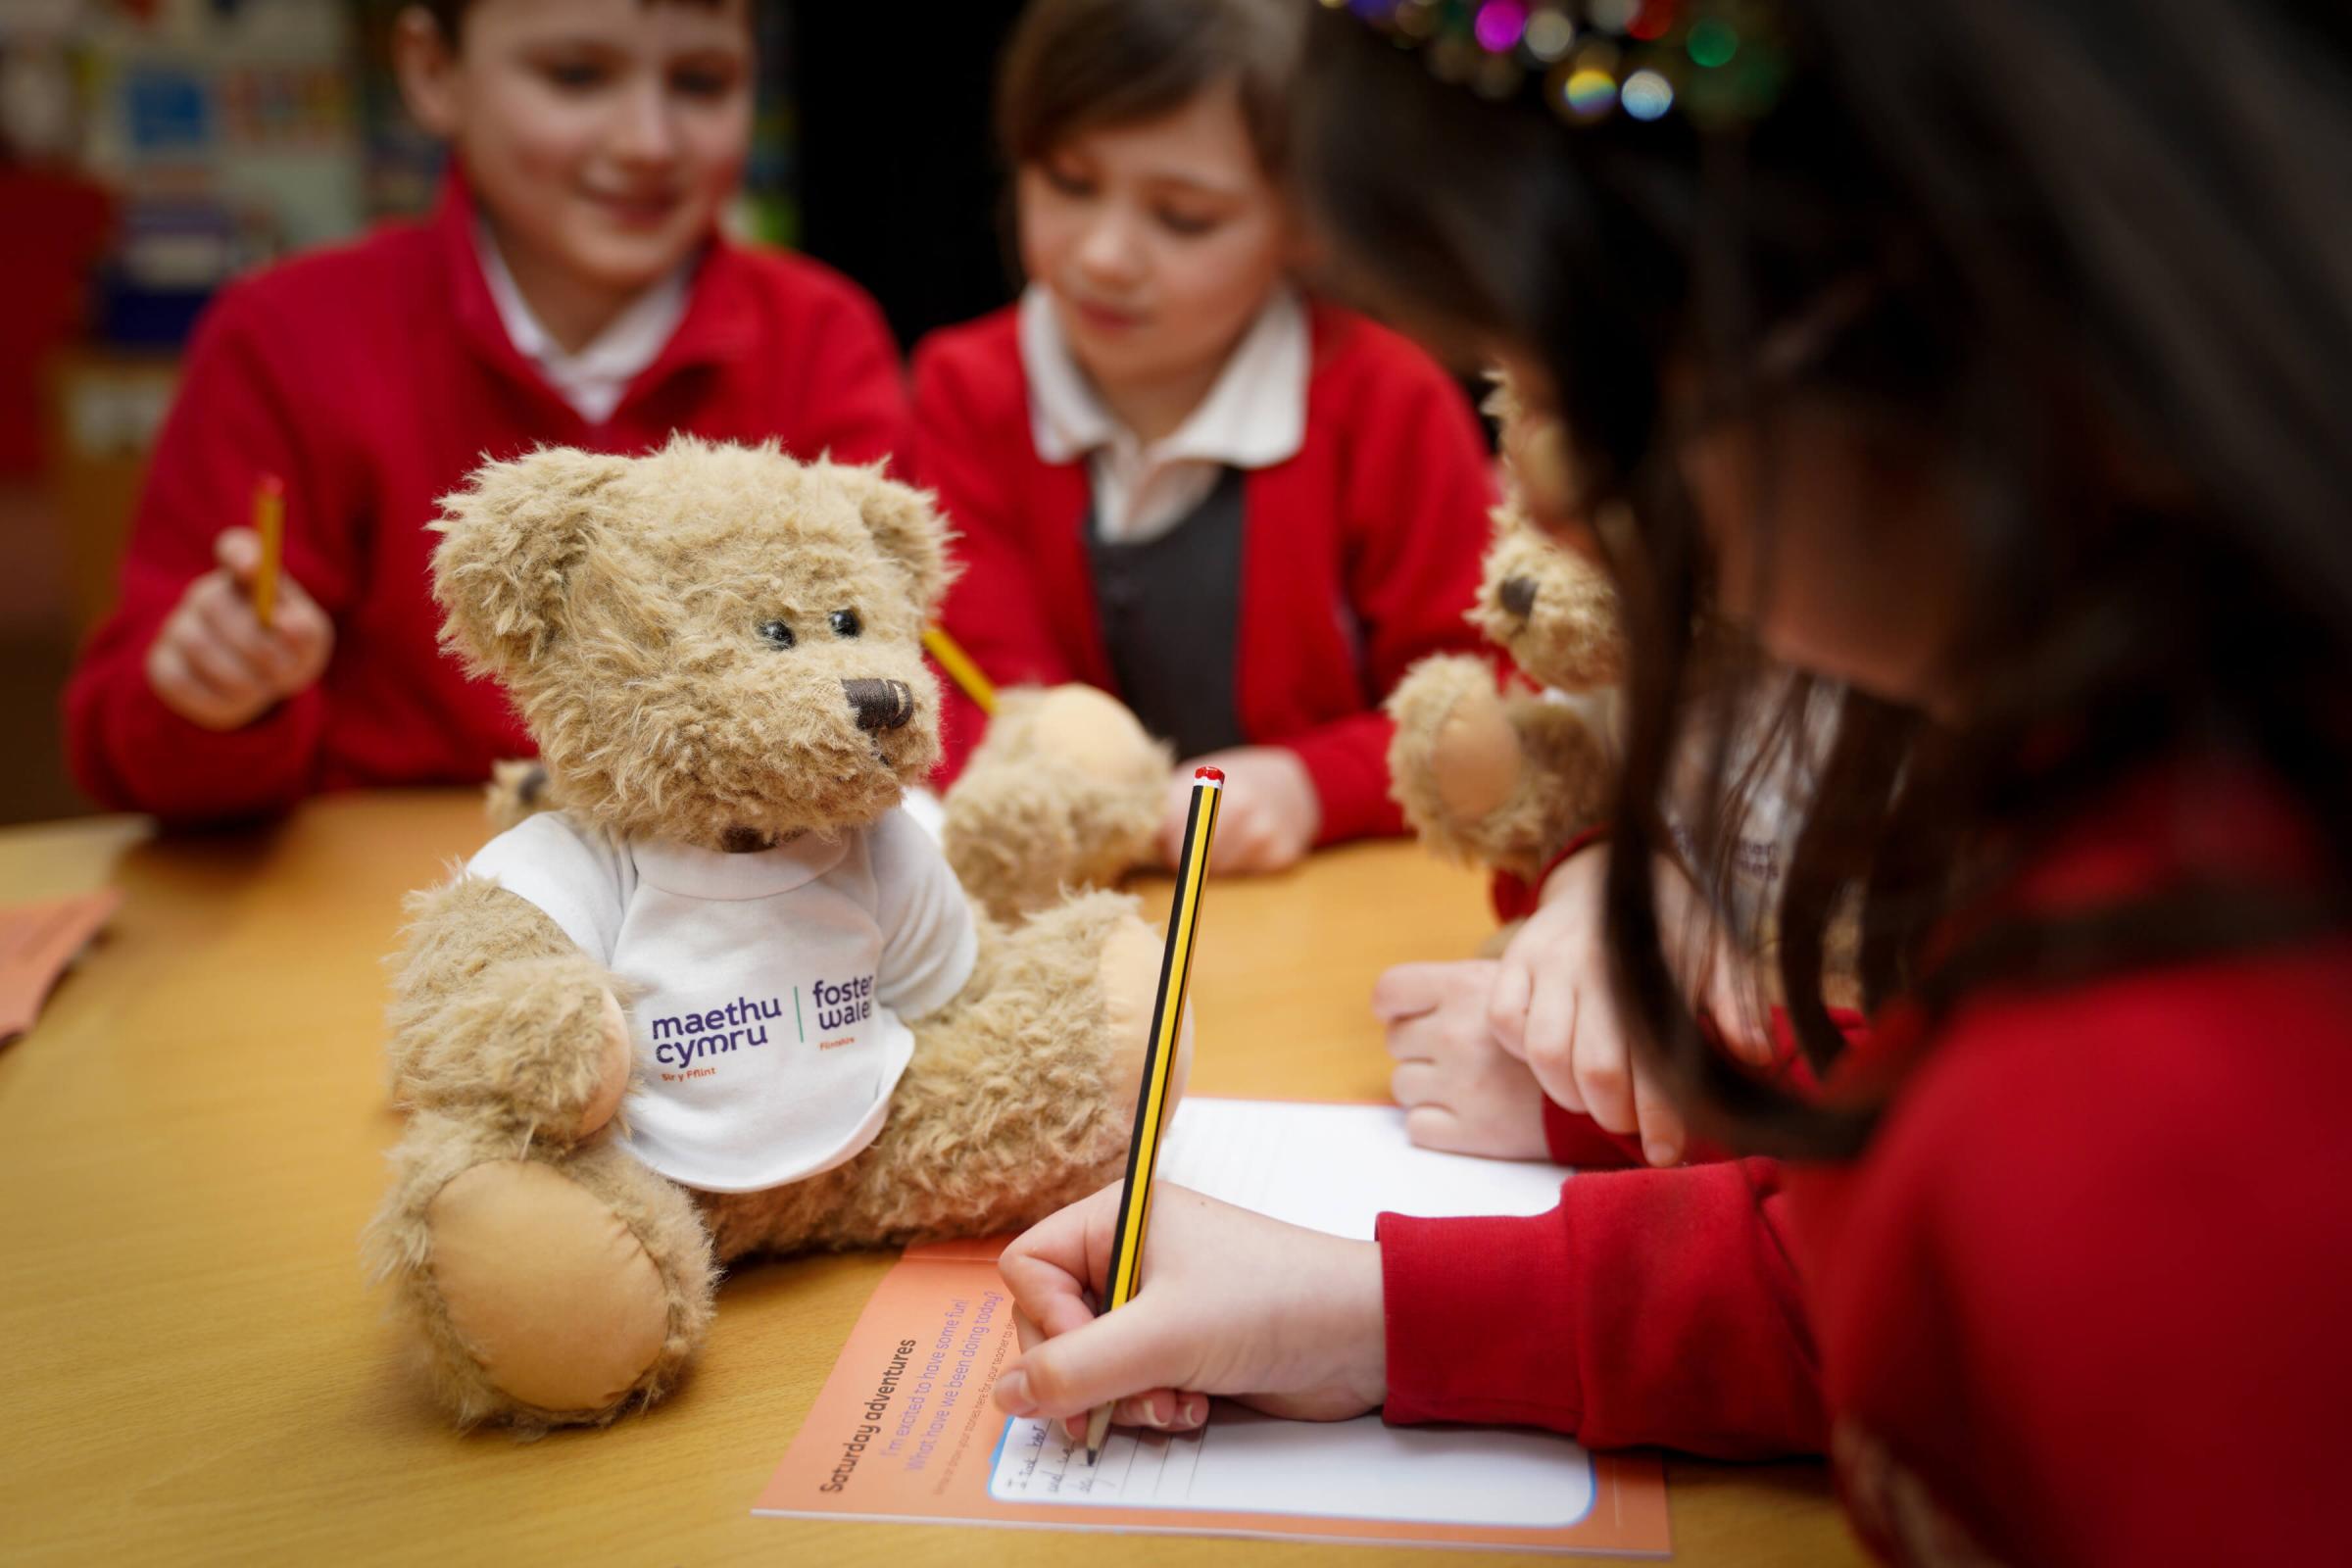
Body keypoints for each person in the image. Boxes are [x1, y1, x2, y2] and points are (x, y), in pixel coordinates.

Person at [992, 2, 2352, 1560]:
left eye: (1575, 398)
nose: (1549, 513)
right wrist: (1364, 1312)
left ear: (1884, 325)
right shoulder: (2121, 795)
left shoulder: (2177, 1097)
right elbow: (1840, 1266)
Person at [64, 0, 907, 823]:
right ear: (434, 70)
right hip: (372, 917)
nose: (649, 141)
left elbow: (911, 678)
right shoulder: (284, 337)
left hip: (737, 913)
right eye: (576, 75)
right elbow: (123, 747)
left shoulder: (819, 338)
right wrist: (215, 694)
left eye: (702, 81)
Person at [908, 0, 1495, 873]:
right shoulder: (962, 390)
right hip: (1074, 916)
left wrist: (1309, 785)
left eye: (1183, 217)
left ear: (1308, 221)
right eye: (1069, 183)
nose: (1104, 254)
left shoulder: (1390, 403)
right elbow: (965, 691)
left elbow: (1478, 704)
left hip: (1334, 906)